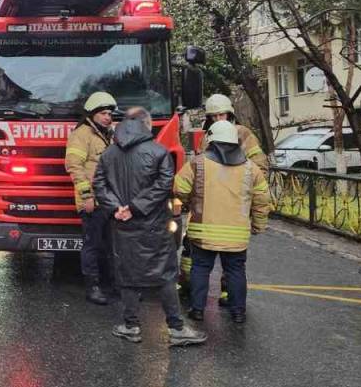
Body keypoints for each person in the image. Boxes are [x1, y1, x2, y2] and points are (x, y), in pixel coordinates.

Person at [94, 107, 206, 347]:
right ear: (146, 125)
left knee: (127, 275)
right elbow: (165, 184)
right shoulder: (158, 151)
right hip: (153, 224)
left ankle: (131, 326)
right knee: (164, 275)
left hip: (122, 225)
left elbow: (99, 184)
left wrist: (117, 208)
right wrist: (136, 207)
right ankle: (176, 328)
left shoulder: (108, 154)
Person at [175, 120, 271, 324]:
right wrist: (258, 225)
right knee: (235, 271)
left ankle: (197, 310)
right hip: (236, 235)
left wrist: (191, 202)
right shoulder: (251, 168)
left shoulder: (198, 163)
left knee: (201, 268)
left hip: (203, 231)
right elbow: (262, 199)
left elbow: (179, 188)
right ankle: (238, 312)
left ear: (211, 139)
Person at [65, 92, 117, 305]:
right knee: (92, 245)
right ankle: (93, 288)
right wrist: (87, 196)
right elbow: (74, 167)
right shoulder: (81, 135)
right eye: (103, 113)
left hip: (109, 200)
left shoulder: (107, 134)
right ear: (92, 114)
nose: (108, 117)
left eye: (110, 114)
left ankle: (115, 286)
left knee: (112, 245)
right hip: (93, 201)